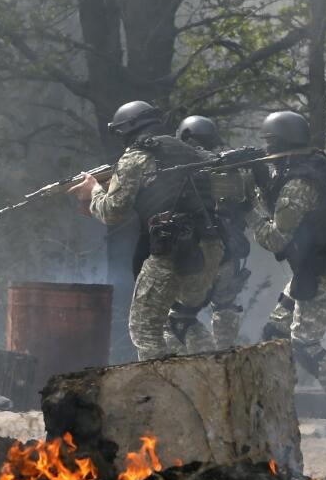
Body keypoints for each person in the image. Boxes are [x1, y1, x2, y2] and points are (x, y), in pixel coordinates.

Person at [67, 101, 224, 360]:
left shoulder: (135, 157)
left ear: (126, 130)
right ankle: (210, 381)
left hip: (174, 251)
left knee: (144, 330)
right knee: (181, 320)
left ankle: (159, 394)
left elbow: (111, 212)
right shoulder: (187, 150)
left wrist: (93, 190)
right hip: (209, 247)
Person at [245, 110, 326, 432]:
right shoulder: (313, 165)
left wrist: (250, 206)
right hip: (315, 264)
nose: (267, 152)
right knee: (274, 333)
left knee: (304, 344)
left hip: (322, 269)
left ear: (280, 143)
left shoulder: (299, 182)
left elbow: (275, 237)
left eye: (270, 144)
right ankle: (269, 405)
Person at [166, 116, 256, 353]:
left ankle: (199, 362)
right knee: (226, 306)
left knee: (179, 316)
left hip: (197, 252)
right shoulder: (230, 169)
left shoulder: (181, 172)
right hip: (229, 249)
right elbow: (248, 205)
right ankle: (226, 357)